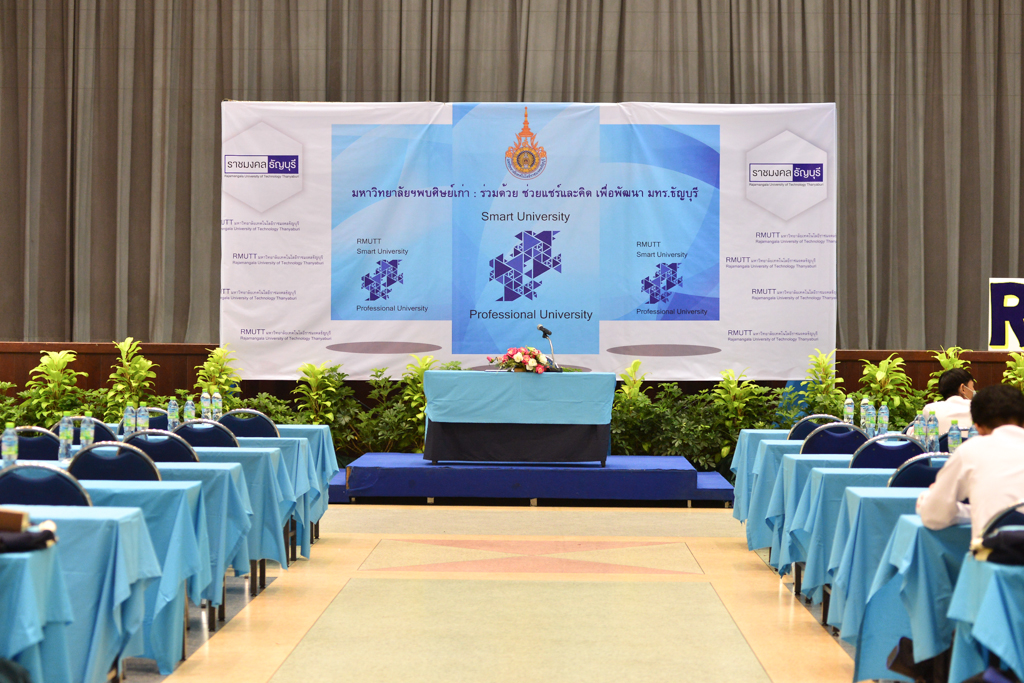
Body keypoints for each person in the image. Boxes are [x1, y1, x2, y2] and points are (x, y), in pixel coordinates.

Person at [917, 384, 1024, 537]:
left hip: (994, 550)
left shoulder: (970, 450)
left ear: (978, 427)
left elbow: (934, 516)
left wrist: (967, 510)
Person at [913, 368, 975, 436]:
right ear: (963, 388)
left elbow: (916, 437)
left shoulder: (930, 410)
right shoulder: (977, 408)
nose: (973, 390)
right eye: (972, 386)